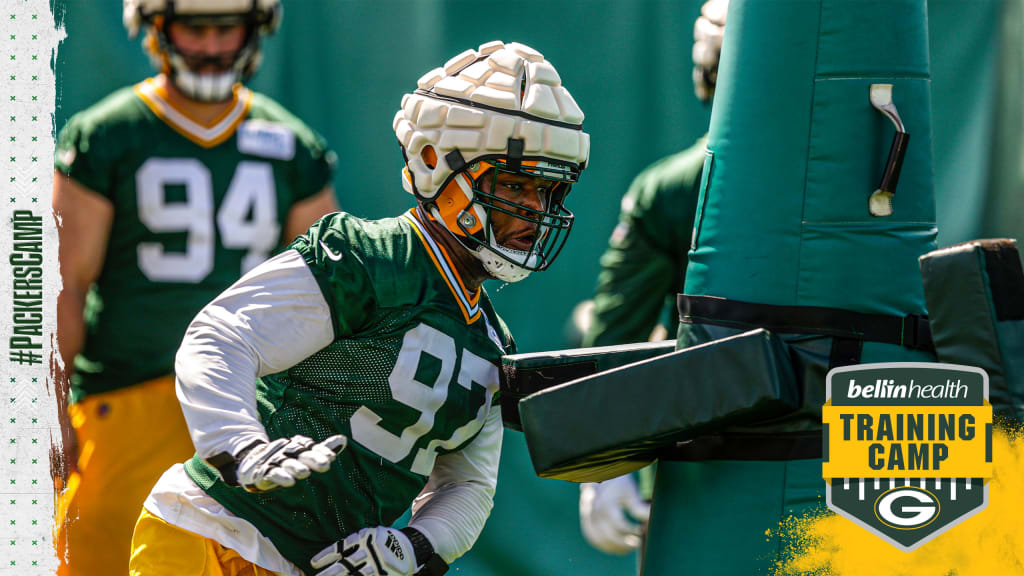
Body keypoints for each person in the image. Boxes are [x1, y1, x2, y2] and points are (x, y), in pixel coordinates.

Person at [127, 40, 590, 576]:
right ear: (437, 164)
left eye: (547, 191)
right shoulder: (371, 258)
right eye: (516, 184)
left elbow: (468, 486)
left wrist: (411, 547)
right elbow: (222, 334)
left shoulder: (491, 340)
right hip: (213, 531)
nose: (534, 211)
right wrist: (239, 445)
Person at [52, 1, 339, 573]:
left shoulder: (292, 146)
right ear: (157, 28)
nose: (211, 44)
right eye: (194, 26)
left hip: (250, 411)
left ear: (253, 30)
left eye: (225, 26)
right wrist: (46, 402)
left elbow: (327, 293)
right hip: (127, 402)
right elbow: (62, 284)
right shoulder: (109, 135)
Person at [577, 0, 726, 559]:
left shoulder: (672, 189)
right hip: (857, 439)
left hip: (719, 455)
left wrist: (603, 461)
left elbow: (615, 334)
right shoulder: (883, 165)